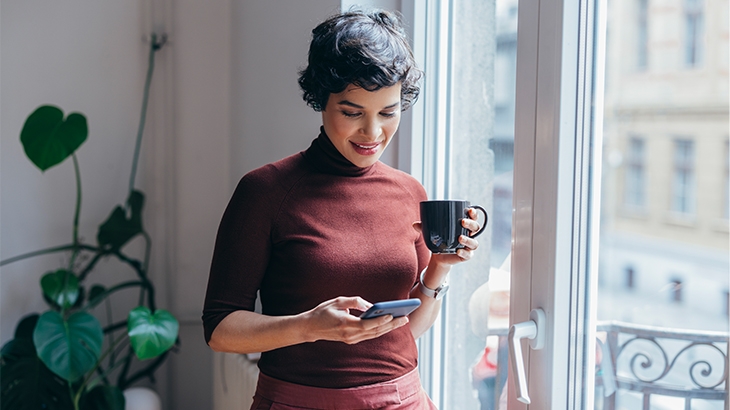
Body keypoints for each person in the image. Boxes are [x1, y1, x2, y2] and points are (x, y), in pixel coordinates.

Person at [202, 8, 481, 410]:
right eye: (352, 113)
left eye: (388, 112)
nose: (372, 133)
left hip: (403, 400)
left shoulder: (408, 191)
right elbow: (220, 330)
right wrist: (309, 326)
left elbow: (405, 330)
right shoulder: (265, 191)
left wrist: (439, 268)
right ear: (321, 99)